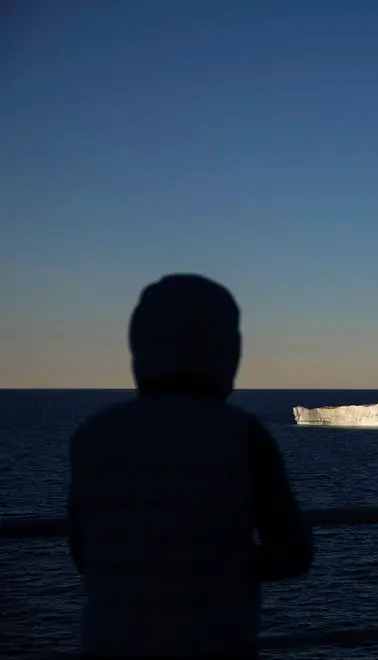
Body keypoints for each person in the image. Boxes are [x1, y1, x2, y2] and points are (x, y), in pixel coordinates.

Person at [66, 274, 314, 659]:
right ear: (226, 353)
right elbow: (294, 552)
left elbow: (83, 551)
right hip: (216, 644)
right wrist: (213, 569)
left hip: (110, 645)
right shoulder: (243, 435)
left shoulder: (92, 435)